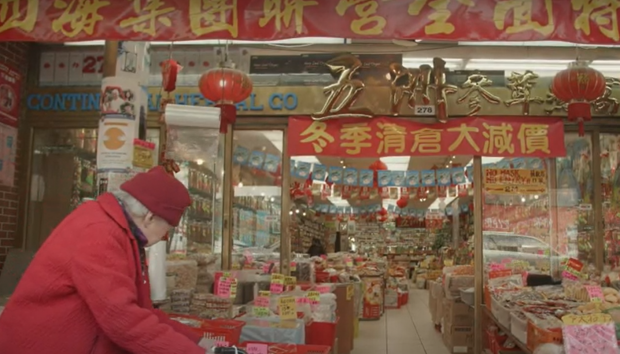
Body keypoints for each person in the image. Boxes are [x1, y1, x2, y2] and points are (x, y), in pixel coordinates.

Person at [0, 166, 209, 354]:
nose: (164, 237)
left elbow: (141, 310)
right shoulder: (99, 231)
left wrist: (200, 344)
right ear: (150, 217)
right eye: (167, 230)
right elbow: (123, 320)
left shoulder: (119, 228)